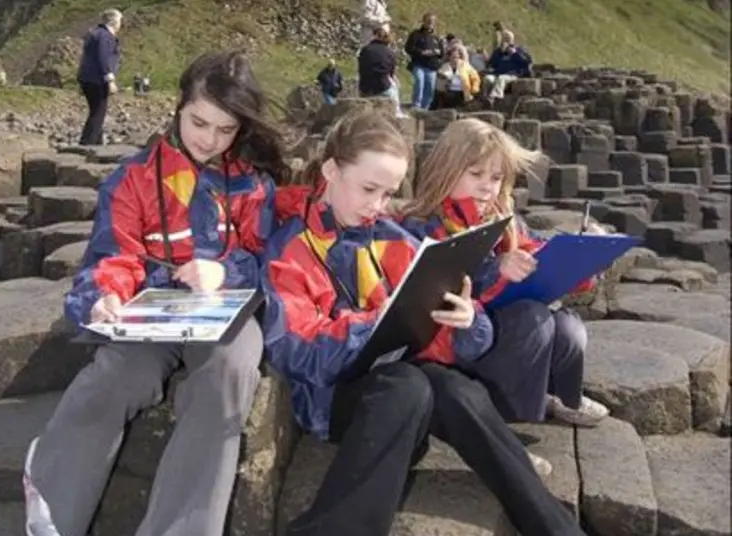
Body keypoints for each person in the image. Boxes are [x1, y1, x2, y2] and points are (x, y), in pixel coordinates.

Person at [261, 109, 587, 536]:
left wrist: (468, 321)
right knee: (409, 383)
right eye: (369, 189)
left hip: (401, 397)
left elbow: (463, 343)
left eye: (388, 194)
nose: (378, 206)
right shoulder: (290, 248)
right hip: (333, 399)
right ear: (331, 171)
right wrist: (374, 325)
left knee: (457, 389)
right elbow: (292, 349)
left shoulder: (393, 237)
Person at [23, 50, 290, 536]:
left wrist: (225, 271)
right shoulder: (133, 177)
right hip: (151, 312)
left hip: (228, 314)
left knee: (229, 373)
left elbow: (271, 260)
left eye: (226, 129)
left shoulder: (256, 185)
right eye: (199, 122)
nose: (209, 139)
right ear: (178, 106)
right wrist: (104, 296)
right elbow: (112, 255)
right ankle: (52, 513)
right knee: (120, 374)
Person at [399, 118, 610, 462]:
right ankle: (498, 431)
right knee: (532, 319)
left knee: (568, 327)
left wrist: (584, 258)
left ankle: (561, 397)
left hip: (497, 334)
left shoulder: (503, 219)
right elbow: (438, 292)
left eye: (496, 178)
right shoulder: (421, 227)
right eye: (476, 174)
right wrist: (496, 269)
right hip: (454, 346)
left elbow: (538, 252)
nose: (487, 187)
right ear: (445, 170)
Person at [77, 8, 123, 145]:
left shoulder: (94, 33)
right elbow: (103, 58)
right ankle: (87, 143)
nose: (120, 24)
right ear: (114, 22)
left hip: (87, 78)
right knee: (98, 112)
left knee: (95, 110)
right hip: (97, 79)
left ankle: (97, 141)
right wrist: (110, 80)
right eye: (120, 21)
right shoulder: (105, 36)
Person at [358, 26, 406, 117]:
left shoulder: (365, 50)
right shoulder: (389, 52)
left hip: (365, 88)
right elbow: (391, 73)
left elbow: (361, 68)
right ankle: (397, 112)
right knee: (394, 84)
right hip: (382, 87)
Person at [404, 12, 447, 109]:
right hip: (418, 64)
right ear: (423, 21)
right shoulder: (416, 34)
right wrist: (422, 52)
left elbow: (442, 53)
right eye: (428, 21)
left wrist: (437, 52)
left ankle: (425, 107)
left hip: (431, 66)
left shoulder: (437, 37)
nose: (430, 23)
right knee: (419, 82)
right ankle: (416, 105)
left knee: (430, 87)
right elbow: (408, 48)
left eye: (432, 21)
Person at [483, 30, 533, 104]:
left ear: (512, 39)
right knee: (488, 79)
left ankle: (494, 97)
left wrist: (515, 54)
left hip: (512, 74)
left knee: (501, 78)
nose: (506, 41)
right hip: (497, 73)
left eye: (508, 39)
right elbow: (492, 63)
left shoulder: (519, 49)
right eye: (504, 39)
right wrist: (499, 53)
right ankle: (485, 97)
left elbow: (526, 62)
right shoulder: (498, 51)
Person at [435, 44, 481, 109]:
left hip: (462, 92)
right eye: (453, 57)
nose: (455, 59)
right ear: (449, 57)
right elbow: (439, 76)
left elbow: (476, 78)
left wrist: (474, 89)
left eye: (457, 57)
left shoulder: (465, 65)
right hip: (448, 91)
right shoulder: (445, 66)